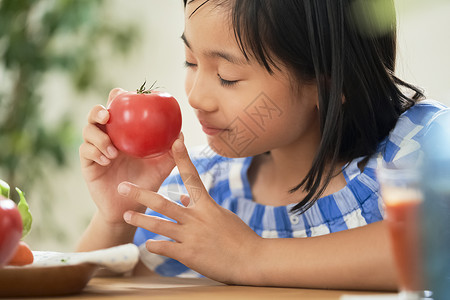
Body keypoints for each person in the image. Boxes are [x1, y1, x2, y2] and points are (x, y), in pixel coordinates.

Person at [77, 0, 448, 290]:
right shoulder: (205, 191)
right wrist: (114, 218)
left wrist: (250, 257)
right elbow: (105, 284)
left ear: (329, 84)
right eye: (191, 61)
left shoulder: (419, 146)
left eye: (227, 77)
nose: (195, 97)